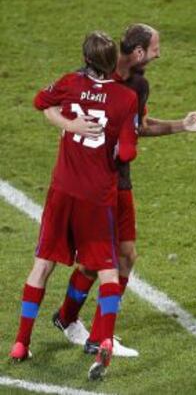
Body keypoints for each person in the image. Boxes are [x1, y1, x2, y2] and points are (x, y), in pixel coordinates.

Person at [43, 24, 196, 357]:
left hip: (119, 181)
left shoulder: (138, 85)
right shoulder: (89, 75)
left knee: (125, 255)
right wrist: (71, 126)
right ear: (138, 52)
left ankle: (76, 322)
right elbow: (53, 107)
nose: (158, 55)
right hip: (87, 185)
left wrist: (182, 125)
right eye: (155, 49)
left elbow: (140, 128)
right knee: (94, 261)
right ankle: (90, 332)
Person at [10, 31, 139, 380]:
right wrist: (116, 148)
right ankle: (105, 340)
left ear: (85, 59)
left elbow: (40, 101)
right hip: (97, 197)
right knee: (109, 270)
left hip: (62, 190)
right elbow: (128, 152)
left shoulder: (69, 83)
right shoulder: (125, 98)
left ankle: (21, 341)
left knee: (42, 265)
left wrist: (68, 124)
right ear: (114, 61)